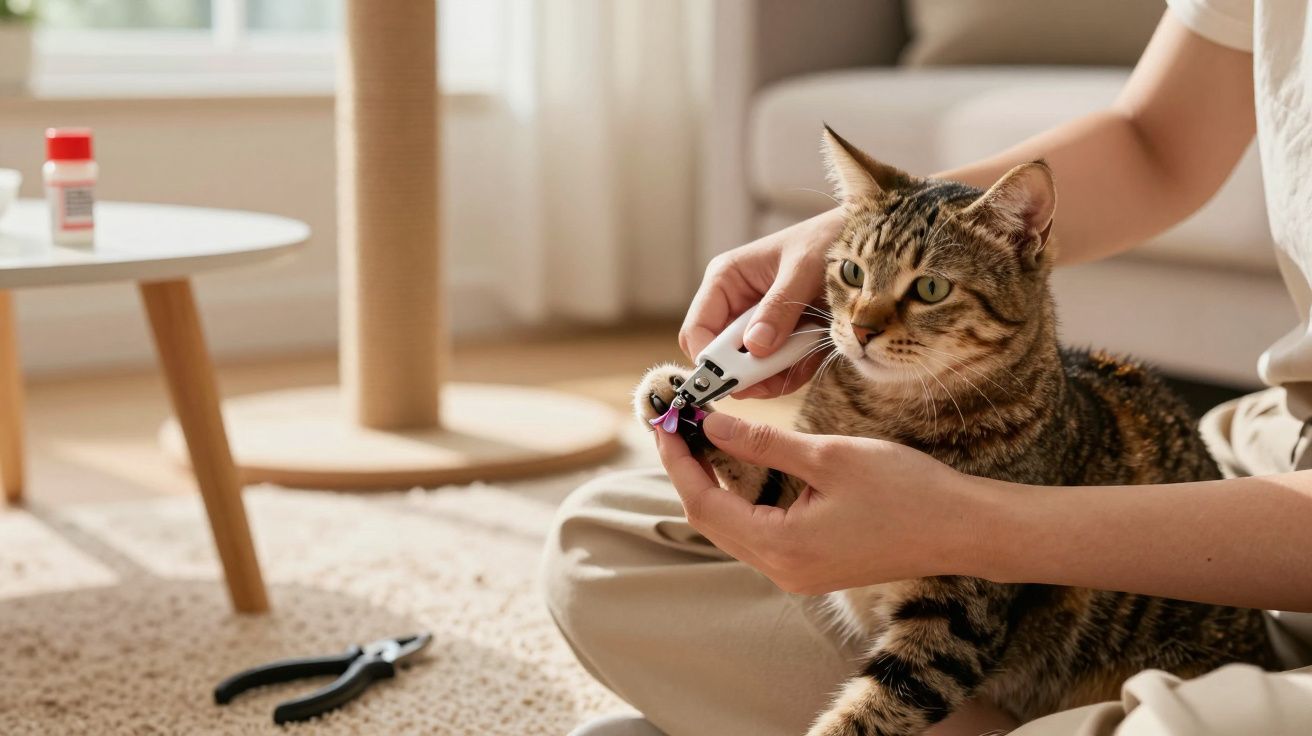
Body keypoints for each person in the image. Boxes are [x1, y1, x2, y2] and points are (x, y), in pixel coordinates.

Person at [544, 2, 1312, 734]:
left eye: (926, 295)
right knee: (598, 543)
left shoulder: (1022, 425)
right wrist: (843, 236)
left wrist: (974, 527)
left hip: (1213, 596)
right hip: (1273, 458)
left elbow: (955, 619)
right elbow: (1153, 141)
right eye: (855, 286)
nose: (868, 324)